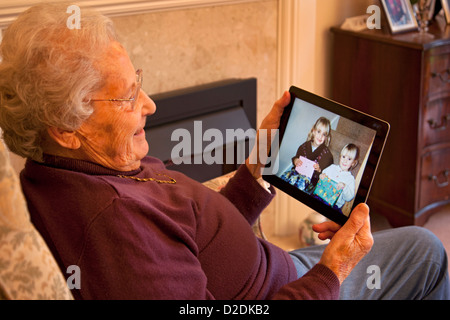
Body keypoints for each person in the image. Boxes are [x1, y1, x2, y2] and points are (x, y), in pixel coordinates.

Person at [0, 3, 448, 300]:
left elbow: (193, 240)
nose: (150, 105)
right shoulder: (113, 228)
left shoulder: (66, 169)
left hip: (277, 270)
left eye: (139, 82)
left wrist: (256, 171)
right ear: (65, 128)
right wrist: (333, 272)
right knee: (427, 249)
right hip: (285, 290)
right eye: (127, 96)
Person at [281, 117, 333, 192]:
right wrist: (296, 160)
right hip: (297, 173)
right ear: (314, 131)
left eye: (324, 134)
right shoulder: (304, 146)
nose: (320, 136)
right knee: (285, 176)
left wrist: (319, 170)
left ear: (326, 137)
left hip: (310, 180)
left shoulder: (327, 154)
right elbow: (296, 157)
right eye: (319, 132)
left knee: (299, 184)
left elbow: (327, 173)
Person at [315, 143, 359, 212]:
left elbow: (349, 197)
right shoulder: (332, 167)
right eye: (343, 157)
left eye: (349, 159)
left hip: (334, 205)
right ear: (340, 157)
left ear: (353, 163)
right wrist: (322, 176)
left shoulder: (350, 178)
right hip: (320, 196)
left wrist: (344, 186)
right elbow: (322, 175)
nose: (345, 161)